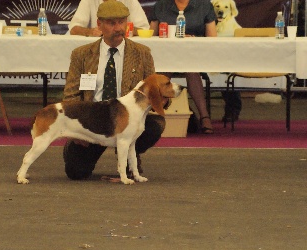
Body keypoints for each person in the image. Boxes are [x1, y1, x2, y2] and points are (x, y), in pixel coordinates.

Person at [63, 0, 165, 180]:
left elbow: (154, 89)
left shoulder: (142, 53)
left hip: (129, 121)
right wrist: (74, 128)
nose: (118, 28)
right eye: (111, 23)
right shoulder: (81, 54)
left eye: (122, 22)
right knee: (76, 172)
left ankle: (127, 154)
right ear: (99, 24)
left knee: (154, 126)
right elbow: (71, 95)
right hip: (93, 122)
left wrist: (164, 98)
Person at [149, 0, 216, 134]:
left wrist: (193, 38)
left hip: (194, 53)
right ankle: (156, 114)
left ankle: (204, 116)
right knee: (164, 70)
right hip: (166, 53)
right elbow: (152, 34)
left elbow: (212, 37)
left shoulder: (204, 5)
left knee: (191, 68)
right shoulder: (160, 5)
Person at [68, 0, 149, 37]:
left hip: (127, 51)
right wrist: (90, 32)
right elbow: (74, 28)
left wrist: (128, 30)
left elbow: (145, 30)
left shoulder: (131, 1)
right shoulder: (88, 1)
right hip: (95, 52)